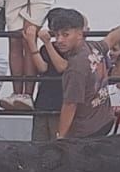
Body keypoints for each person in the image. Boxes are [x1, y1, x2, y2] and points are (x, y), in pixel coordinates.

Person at [49, 9, 114, 138]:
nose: (59, 40)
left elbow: (70, 104)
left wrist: (61, 137)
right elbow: (111, 39)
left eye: (65, 35)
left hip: (85, 131)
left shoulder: (75, 68)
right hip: (104, 120)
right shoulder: (94, 46)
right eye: (56, 35)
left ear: (80, 34)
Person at [29, 11, 70, 143]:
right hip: (44, 101)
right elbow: (42, 68)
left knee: (58, 145)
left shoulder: (72, 49)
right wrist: (31, 42)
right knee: (39, 144)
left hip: (62, 103)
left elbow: (62, 67)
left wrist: (47, 43)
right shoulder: (47, 48)